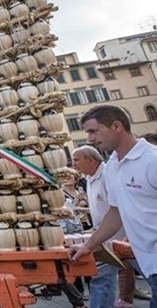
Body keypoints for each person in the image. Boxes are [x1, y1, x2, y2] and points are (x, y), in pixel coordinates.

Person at [68, 105, 157, 308]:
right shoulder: (114, 165)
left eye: (93, 131)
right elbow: (114, 213)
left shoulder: (152, 160)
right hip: (148, 262)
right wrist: (87, 245)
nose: (90, 138)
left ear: (116, 126)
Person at [72, 145, 124, 308]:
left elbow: (117, 209)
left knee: (101, 279)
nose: (73, 164)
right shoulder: (89, 177)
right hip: (106, 237)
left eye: (76, 160)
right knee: (103, 279)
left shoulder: (108, 176)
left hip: (115, 237)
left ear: (91, 160)